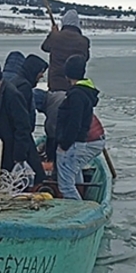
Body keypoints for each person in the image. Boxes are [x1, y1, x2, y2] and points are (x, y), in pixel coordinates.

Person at [55, 55, 106, 200]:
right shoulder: (84, 92)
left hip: (72, 145)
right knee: (73, 174)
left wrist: (65, 144)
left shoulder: (76, 95)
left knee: (65, 185)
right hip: (78, 143)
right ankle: (82, 198)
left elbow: (74, 122)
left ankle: (76, 211)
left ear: (67, 73)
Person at [0, 58, 36, 177]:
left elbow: (23, 126)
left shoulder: (12, 94)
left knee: (7, 182)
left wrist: (19, 155)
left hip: (8, 150)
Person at [10, 53, 49, 183]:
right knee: (38, 176)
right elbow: (21, 120)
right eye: (41, 72)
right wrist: (20, 153)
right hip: (22, 138)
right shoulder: (24, 87)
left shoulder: (15, 82)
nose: (42, 75)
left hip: (18, 138)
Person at [41, 9, 90, 92]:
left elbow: (45, 47)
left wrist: (52, 33)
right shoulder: (84, 41)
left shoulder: (56, 37)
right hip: (75, 84)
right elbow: (86, 58)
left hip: (55, 82)